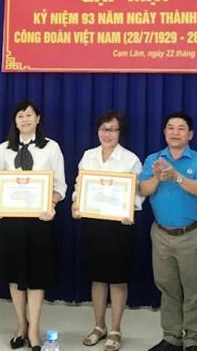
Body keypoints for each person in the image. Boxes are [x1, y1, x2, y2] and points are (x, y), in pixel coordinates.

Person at [0, 100, 66, 351]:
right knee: (14, 274)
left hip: (39, 220)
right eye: (20, 116)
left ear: (38, 119)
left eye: (29, 115)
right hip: (11, 221)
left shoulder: (51, 147)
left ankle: (34, 329)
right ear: (15, 120)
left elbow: (60, 185)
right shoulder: (4, 149)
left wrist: (51, 203)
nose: (25, 119)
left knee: (36, 275)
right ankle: (21, 325)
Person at [138, 112, 197, 351]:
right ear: (164, 132)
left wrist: (177, 177)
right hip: (161, 234)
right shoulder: (153, 159)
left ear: (190, 134)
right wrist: (157, 177)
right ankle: (171, 337)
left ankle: (193, 340)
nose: (175, 132)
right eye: (170, 127)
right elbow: (143, 190)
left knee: (192, 290)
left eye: (181, 128)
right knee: (167, 288)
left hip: (191, 235)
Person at [71, 110, 143, 351]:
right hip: (93, 224)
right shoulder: (88, 156)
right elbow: (79, 185)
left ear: (120, 133)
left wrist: (131, 208)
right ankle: (99, 325)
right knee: (98, 277)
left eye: (112, 129)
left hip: (119, 226)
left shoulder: (130, 159)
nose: (107, 134)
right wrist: (76, 204)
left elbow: (137, 194)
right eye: (103, 129)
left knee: (117, 278)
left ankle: (115, 329)